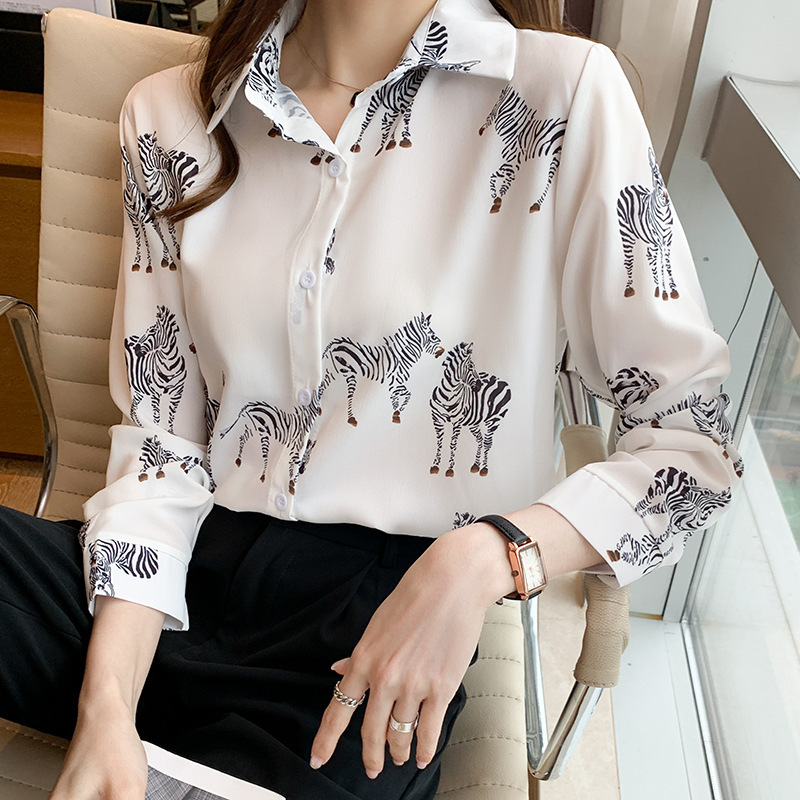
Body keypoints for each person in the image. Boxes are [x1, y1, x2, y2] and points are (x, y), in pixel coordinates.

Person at [0, 0, 742, 798]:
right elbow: (163, 446)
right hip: (173, 568)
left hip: (371, 635)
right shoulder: (170, 116)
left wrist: (481, 559)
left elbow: (691, 449)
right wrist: (106, 707)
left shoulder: (562, 95)